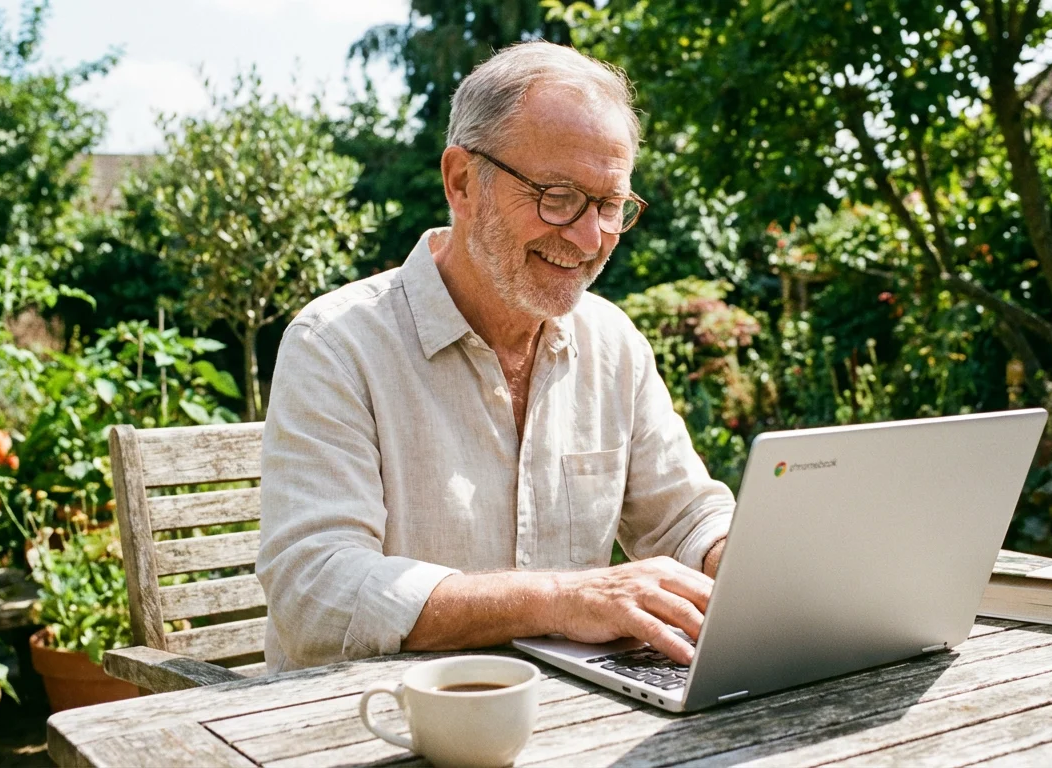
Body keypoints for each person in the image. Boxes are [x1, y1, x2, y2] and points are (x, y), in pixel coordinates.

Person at [258, 41, 734, 674]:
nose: (590, 238)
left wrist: (739, 560)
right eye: (557, 197)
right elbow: (317, 593)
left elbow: (684, 517)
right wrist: (562, 598)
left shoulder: (613, 343)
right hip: (374, 725)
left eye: (610, 205)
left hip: (571, 721)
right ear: (462, 182)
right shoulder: (337, 344)